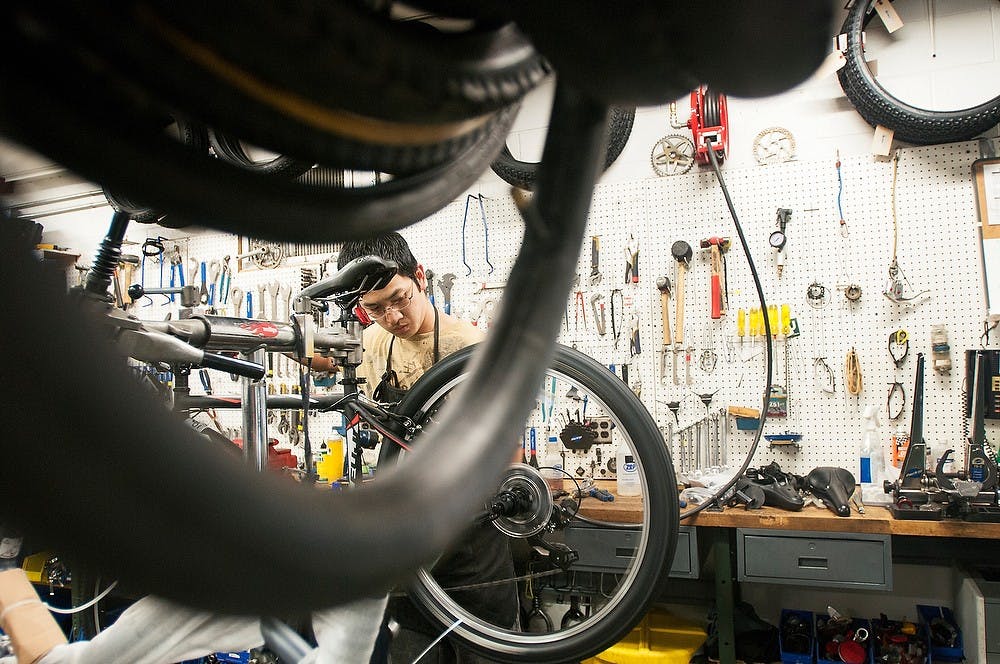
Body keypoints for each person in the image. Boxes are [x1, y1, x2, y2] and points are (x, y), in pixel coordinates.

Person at [313, 232, 521, 664]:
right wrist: (297, 346)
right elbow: (330, 361)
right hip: (407, 549)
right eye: (374, 309)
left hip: (473, 546)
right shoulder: (371, 342)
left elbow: (509, 448)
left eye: (399, 298)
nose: (392, 316)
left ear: (420, 279)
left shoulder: (472, 346)